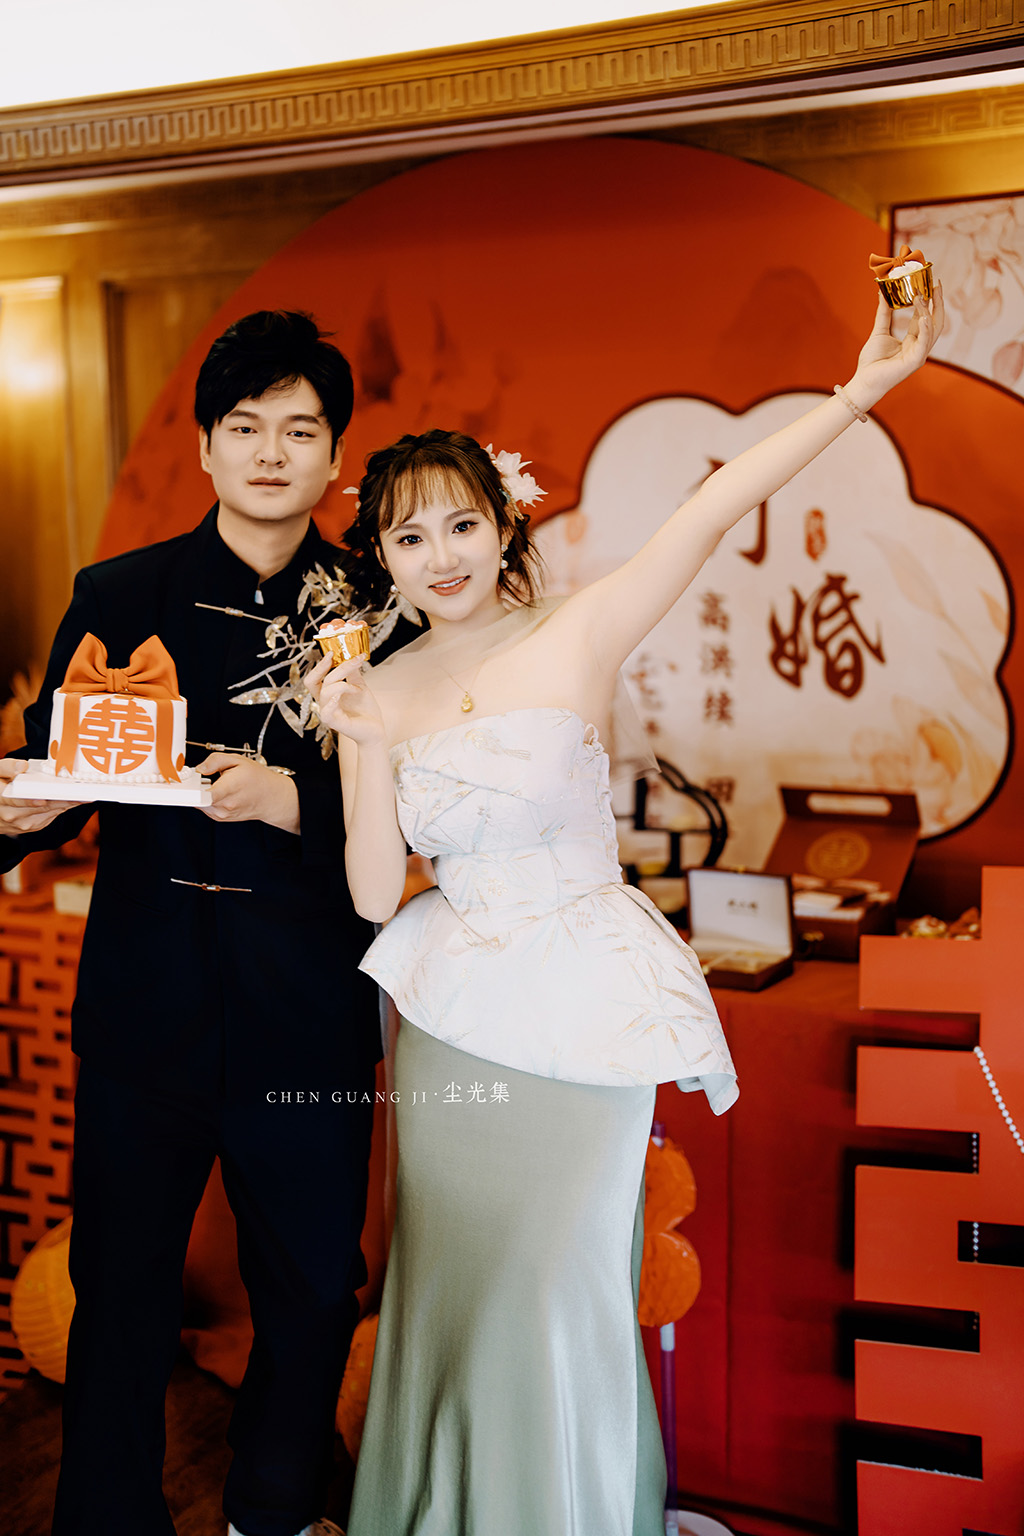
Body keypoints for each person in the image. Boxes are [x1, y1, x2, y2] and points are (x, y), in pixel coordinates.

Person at [306, 284, 944, 1536]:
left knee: (560, 1280)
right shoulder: (371, 686)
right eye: (406, 537)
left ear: (504, 523)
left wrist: (860, 390)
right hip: (447, 1019)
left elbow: (714, 504)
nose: (439, 556)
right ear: (379, 555)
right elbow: (376, 894)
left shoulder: (581, 626)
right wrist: (362, 743)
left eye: (460, 524)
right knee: (446, 1279)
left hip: (580, 1007)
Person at [0, 311, 408, 1536]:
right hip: (146, 1015)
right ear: (205, 447)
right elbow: (53, 776)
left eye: (300, 430)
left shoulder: (380, 608)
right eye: (246, 427)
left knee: (311, 1292)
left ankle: (266, 1516)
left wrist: (299, 801)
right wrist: (21, 811)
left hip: (309, 1014)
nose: (272, 453)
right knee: (120, 1292)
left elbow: (428, 799)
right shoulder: (118, 594)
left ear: (336, 454)